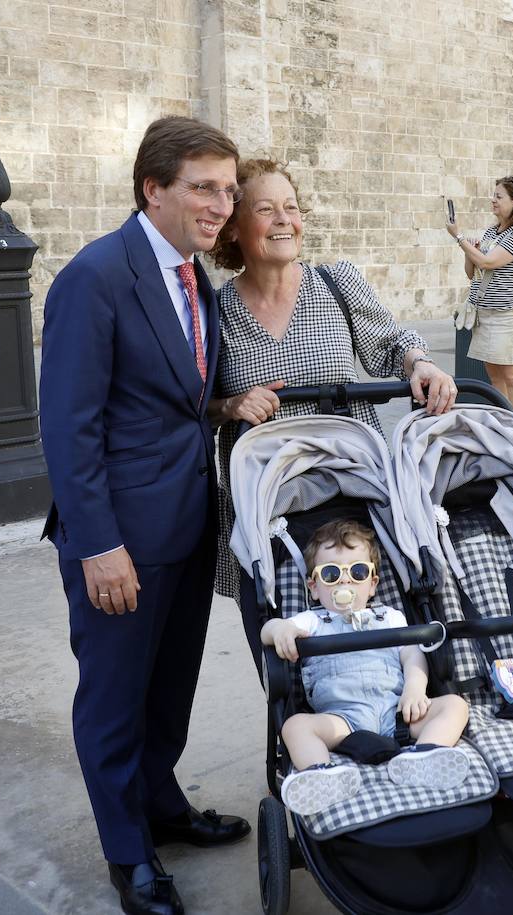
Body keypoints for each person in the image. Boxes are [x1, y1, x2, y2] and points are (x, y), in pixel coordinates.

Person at [39, 116, 252, 915]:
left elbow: (170, 396)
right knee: (114, 702)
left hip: (188, 526)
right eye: (203, 187)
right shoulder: (95, 276)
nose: (220, 205)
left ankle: (161, 806)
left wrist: (227, 402)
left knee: (168, 692)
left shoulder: (194, 277)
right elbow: (68, 426)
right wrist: (98, 545)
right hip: (120, 541)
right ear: (152, 188)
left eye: (228, 190)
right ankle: (128, 855)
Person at [207, 158, 456, 647]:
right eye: (265, 209)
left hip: (355, 485)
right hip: (269, 499)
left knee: (388, 628)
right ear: (234, 228)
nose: (284, 220)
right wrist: (231, 405)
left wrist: (419, 363)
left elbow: (389, 341)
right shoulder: (214, 310)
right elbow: (200, 404)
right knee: (288, 646)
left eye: (291, 207)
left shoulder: (336, 283)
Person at [265, 520, 471, 814]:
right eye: (332, 574)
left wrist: (415, 688)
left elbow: (412, 656)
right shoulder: (311, 622)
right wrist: (280, 629)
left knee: (454, 705)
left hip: (396, 713)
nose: (345, 582)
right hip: (341, 720)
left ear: (372, 584)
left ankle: (427, 754)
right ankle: (320, 774)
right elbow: (268, 631)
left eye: (358, 572)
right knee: (295, 726)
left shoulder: (389, 617)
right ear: (314, 587)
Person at [446, 176, 513, 418]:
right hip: (484, 314)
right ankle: (505, 423)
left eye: (499, 196)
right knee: (495, 376)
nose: (493, 200)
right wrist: (469, 251)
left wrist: (459, 238)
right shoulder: (492, 231)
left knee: (512, 375)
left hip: (507, 316)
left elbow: (488, 261)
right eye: (494, 195)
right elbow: (472, 272)